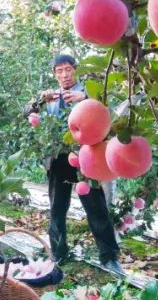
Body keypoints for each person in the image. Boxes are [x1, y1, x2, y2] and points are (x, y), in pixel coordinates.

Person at [25, 54, 123, 274]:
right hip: (57, 158)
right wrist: (39, 101)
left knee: (95, 205)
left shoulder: (86, 93)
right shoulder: (49, 96)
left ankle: (109, 257)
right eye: (59, 71)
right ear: (54, 74)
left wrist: (85, 97)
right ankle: (59, 253)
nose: (64, 75)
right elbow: (26, 114)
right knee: (57, 207)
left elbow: (107, 109)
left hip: (83, 156)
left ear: (75, 70)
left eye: (67, 69)